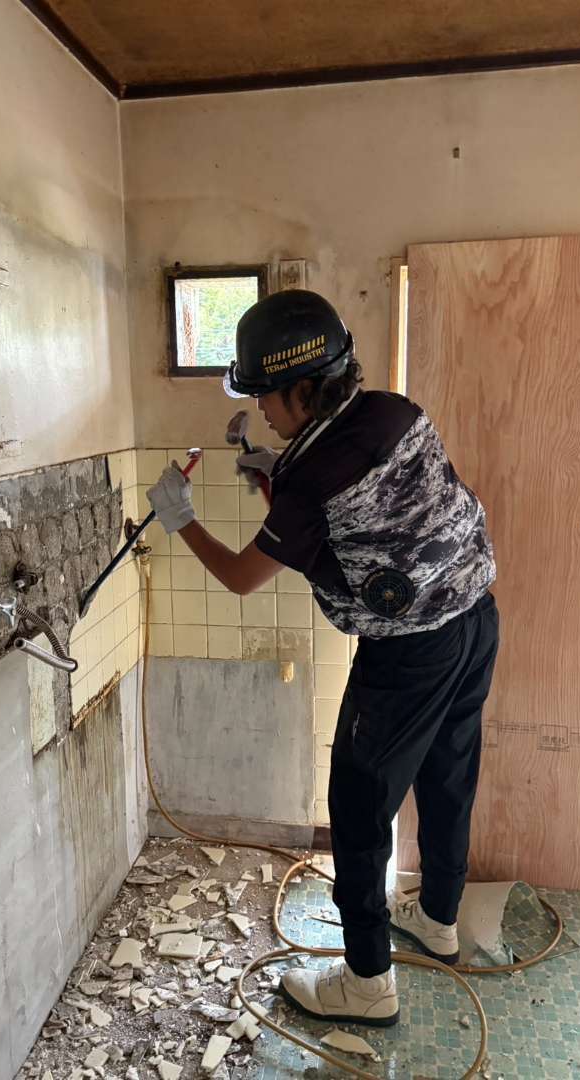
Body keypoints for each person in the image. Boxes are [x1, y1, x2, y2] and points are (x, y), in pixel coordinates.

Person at [146, 289, 499, 1027]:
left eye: (266, 394)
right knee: (447, 775)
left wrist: (181, 519)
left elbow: (242, 577)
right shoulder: (393, 412)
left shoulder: (309, 477)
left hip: (407, 657)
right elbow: (361, 516)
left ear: (303, 386)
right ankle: (438, 919)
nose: (262, 409)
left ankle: (366, 982)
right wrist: (278, 482)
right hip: (473, 618)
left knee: (359, 809)